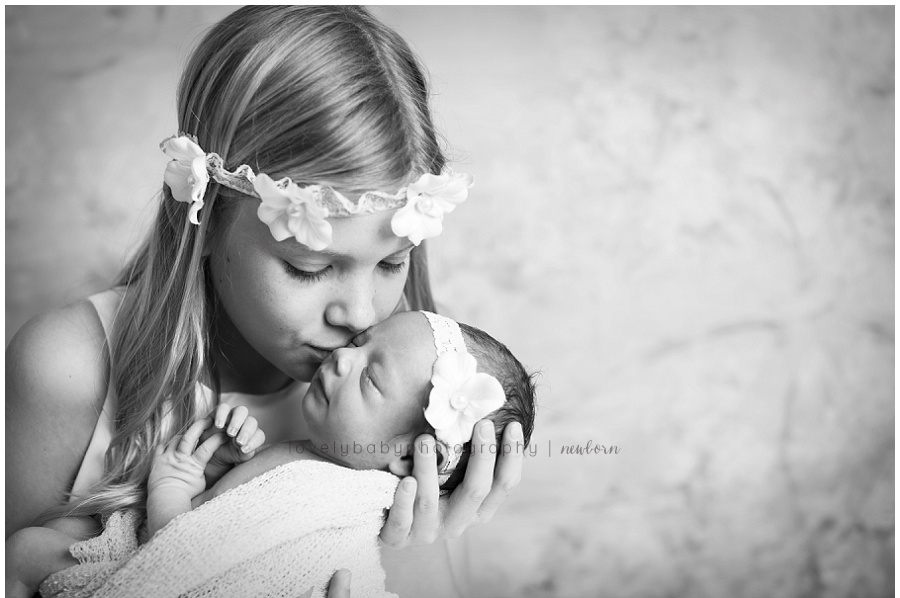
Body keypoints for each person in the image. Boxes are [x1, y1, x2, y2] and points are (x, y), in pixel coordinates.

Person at [5, 6, 525, 598]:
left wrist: (411, 543)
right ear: (204, 226)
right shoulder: (68, 368)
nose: (360, 315)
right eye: (309, 267)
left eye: (391, 263)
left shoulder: (408, 390)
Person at [6, 311, 536, 598]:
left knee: (27, 552)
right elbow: (223, 529)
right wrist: (210, 474)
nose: (344, 356)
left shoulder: (318, 490)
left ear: (405, 458)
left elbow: (188, 557)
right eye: (364, 342)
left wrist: (170, 490)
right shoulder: (312, 463)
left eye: (371, 378)